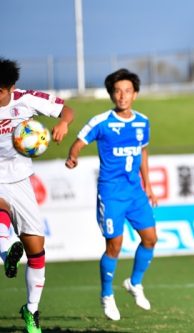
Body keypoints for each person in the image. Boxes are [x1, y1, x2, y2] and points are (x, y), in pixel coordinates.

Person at [65, 68, 158, 321]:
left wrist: (148, 185)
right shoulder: (101, 121)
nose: (122, 96)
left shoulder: (142, 121)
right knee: (114, 246)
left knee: (150, 239)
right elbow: (79, 141)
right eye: (117, 91)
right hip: (111, 194)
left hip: (135, 192)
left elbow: (144, 152)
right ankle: (107, 295)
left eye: (127, 91)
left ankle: (134, 283)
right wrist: (73, 156)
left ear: (135, 94)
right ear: (111, 95)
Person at [0, 58, 74, 333]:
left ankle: (31, 310)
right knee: (1, 207)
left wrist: (63, 124)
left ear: (11, 88)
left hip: (20, 179)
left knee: (36, 252)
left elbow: (67, 110)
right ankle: (5, 250)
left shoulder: (26, 100)